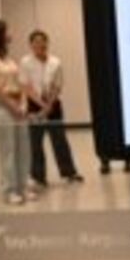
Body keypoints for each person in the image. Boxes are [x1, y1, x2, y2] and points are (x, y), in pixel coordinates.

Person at [0, 19, 34, 205]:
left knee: (23, 148)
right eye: (7, 30)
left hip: (19, 104)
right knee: (8, 150)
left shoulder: (8, 58)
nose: (11, 33)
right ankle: (9, 190)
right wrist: (13, 106)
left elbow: (21, 82)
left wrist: (24, 104)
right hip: (3, 107)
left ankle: (22, 185)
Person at [20, 31, 84, 187]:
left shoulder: (55, 62)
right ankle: (38, 176)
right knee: (35, 142)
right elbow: (26, 86)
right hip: (34, 104)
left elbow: (58, 85)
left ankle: (69, 173)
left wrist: (49, 105)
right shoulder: (25, 62)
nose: (40, 44)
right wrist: (42, 106)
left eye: (43, 41)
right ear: (31, 44)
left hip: (53, 104)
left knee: (60, 139)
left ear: (47, 43)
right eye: (36, 42)